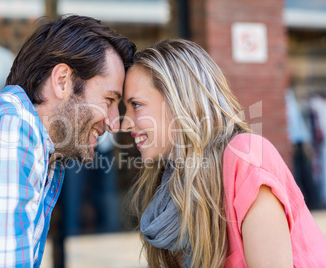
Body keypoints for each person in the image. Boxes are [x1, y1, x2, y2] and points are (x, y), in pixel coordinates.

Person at [0, 15, 135, 267]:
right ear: (62, 81)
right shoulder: (5, 135)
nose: (114, 122)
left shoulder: (35, 144)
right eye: (109, 100)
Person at [121, 39, 326, 268]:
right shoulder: (168, 185)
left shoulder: (246, 156)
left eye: (136, 105)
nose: (125, 124)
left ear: (178, 100)